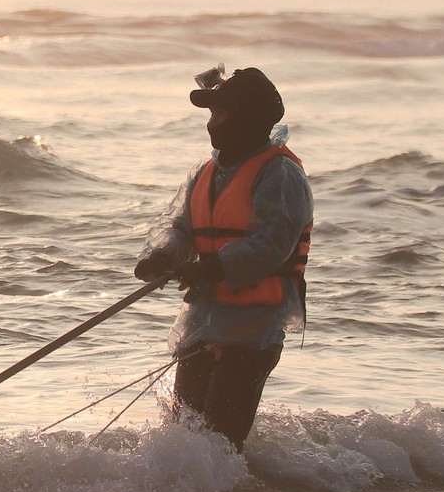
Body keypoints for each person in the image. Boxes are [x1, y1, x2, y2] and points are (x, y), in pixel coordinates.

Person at [134, 66, 313, 452]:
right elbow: (179, 225)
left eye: (221, 114)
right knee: (184, 430)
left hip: (255, 327)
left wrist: (215, 267)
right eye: (212, 115)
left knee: (221, 441)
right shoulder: (205, 172)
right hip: (205, 319)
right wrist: (161, 256)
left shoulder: (280, 174)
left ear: (247, 120)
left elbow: (272, 242)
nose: (213, 124)